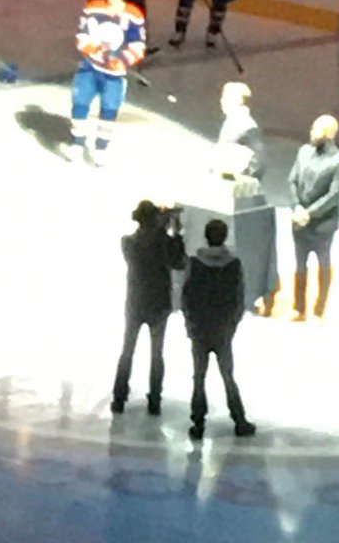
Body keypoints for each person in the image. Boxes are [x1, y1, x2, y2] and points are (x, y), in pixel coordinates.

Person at [182, 219, 256, 440]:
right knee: (227, 375)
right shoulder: (233, 264)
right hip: (222, 329)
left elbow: (187, 297)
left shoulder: (195, 263)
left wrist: (190, 324)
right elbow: (238, 299)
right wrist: (232, 324)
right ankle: (239, 419)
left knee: (199, 377)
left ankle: (197, 422)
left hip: (200, 328)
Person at [111, 201, 186, 416]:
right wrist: (176, 234)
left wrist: (162, 231)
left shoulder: (128, 242)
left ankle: (119, 397)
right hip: (158, 303)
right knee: (156, 354)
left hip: (135, 302)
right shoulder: (163, 241)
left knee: (127, 351)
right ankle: (154, 400)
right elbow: (179, 263)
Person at [65, 0, 146, 164]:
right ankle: (77, 144)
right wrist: (95, 51)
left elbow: (138, 45)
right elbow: (82, 35)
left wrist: (123, 60)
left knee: (109, 110)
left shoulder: (134, 14)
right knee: (80, 103)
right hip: (90, 67)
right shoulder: (93, 7)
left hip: (114, 76)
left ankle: (100, 148)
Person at [289, 114, 339, 321]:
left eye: (318, 131)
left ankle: (319, 309)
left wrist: (310, 213)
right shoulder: (303, 152)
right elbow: (292, 180)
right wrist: (296, 206)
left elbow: (334, 195)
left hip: (323, 224)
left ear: (330, 134)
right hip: (299, 220)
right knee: (299, 265)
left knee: (323, 265)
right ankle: (299, 307)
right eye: (313, 129)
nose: (313, 133)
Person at [212, 81, 266, 182]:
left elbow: (258, 161)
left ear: (237, 100)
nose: (222, 101)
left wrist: (234, 178)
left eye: (226, 97)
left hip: (233, 187)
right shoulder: (233, 121)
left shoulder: (244, 123)